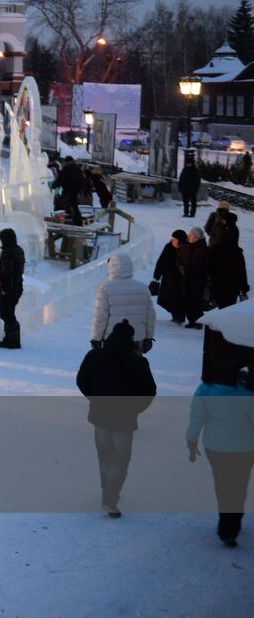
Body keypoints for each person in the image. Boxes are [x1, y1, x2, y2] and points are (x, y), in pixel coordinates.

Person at [76, 320, 157, 517]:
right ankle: (110, 499)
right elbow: (149, 391)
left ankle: (107, 489)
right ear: (131, 339)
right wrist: (135, 409)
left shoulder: (94, 356)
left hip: (100, 415)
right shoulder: (138, 362)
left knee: (104, 455)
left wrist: (94, 398)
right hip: (125, 419)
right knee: (121, 459)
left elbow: (81, 381)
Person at [186, 368, 254, 548]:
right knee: (239, 485)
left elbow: (196, 418)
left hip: (215, 447)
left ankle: (227, 524)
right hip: (244, 447)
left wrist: (191, 441)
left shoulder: (206, 388)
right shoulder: (249, 389)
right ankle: (232, 524)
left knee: (222, 483)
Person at [91, 254, 157, 353]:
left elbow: (100, 317)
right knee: (133, 367)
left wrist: (96, 339)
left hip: (111, 339)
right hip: (136, 338)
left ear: (112, 268)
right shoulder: (143, 288)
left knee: (113, 367)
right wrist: (148, 337)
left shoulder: (105, 289)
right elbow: (150, 316)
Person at [0, 227, 26, 349]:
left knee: (6, 314)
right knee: (9, 313)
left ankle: (12, 341)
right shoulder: (18, 250)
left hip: (8, 287)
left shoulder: (7, 252)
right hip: (17, 285)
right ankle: (11, 339)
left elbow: (6, 271)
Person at [207, 227, 250, 309]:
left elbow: (210, 269)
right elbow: (241, 271)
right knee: (230, 307)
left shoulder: (215, 251)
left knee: (220, 306)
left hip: (218, 284)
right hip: (232, 286)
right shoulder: (237, 252)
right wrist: (244, 287)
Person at [152, 230, 187, 324]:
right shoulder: (168, 247)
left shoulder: (185, 249)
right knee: (165, 299)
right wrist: (157, 275)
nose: (172, 240)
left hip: (179, 280)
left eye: (175, 239)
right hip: (167, 278)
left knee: (177, 299)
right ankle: (175, 315)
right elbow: (161, 261)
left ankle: (179, 317)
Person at [181, 227, 211, 329]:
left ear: (197, 237)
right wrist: (181, 268)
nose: (189, 236)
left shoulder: (204, 249)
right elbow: (179, 259)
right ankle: (191, 320)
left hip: (198, 279)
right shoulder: (187, 246)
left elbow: (207, 265)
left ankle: (198, 321)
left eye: (192, 235)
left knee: (196, 301)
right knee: (188, 300)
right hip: (187, 278)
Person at [179, 154, 202, 218]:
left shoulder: (195, 171)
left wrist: (196, 188)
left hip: (192, 190)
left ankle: (192, 214)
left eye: (189, 163)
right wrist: (180, 187)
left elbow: (198, 181)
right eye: (187, 163)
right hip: (185, 189)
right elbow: (181, 179)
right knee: (185, 202)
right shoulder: (184, 170)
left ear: (192, 164)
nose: (188, 164)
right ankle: (186, 213)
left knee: (193, 203)